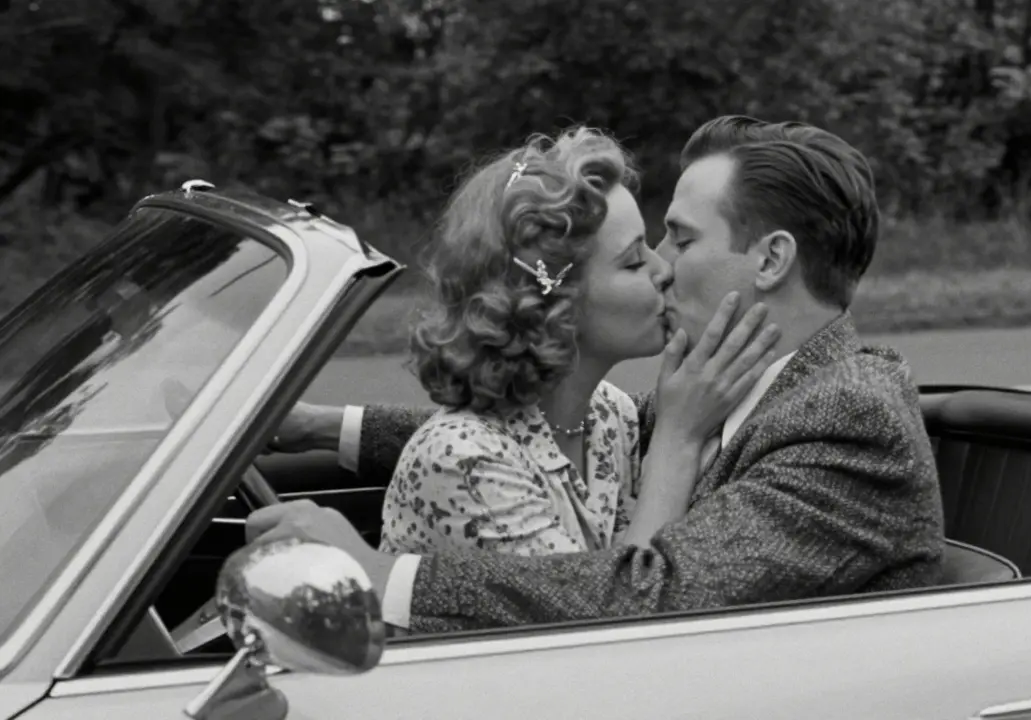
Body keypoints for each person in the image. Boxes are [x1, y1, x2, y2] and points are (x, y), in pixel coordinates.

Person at [250, 115, 946, 634]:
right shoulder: (744, 391)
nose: (664, 265)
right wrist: (319, 426)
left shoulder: (848, 418)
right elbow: (541, 432)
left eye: (681, 237)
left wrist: (382, 576)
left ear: (769, 262)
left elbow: (645, 604)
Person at [375, 126, 780, 561]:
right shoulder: (465, 461)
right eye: (632, 261)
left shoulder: (608, 414)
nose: (664, 269)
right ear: (555, 303)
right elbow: (614, 616)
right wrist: (677, 437)